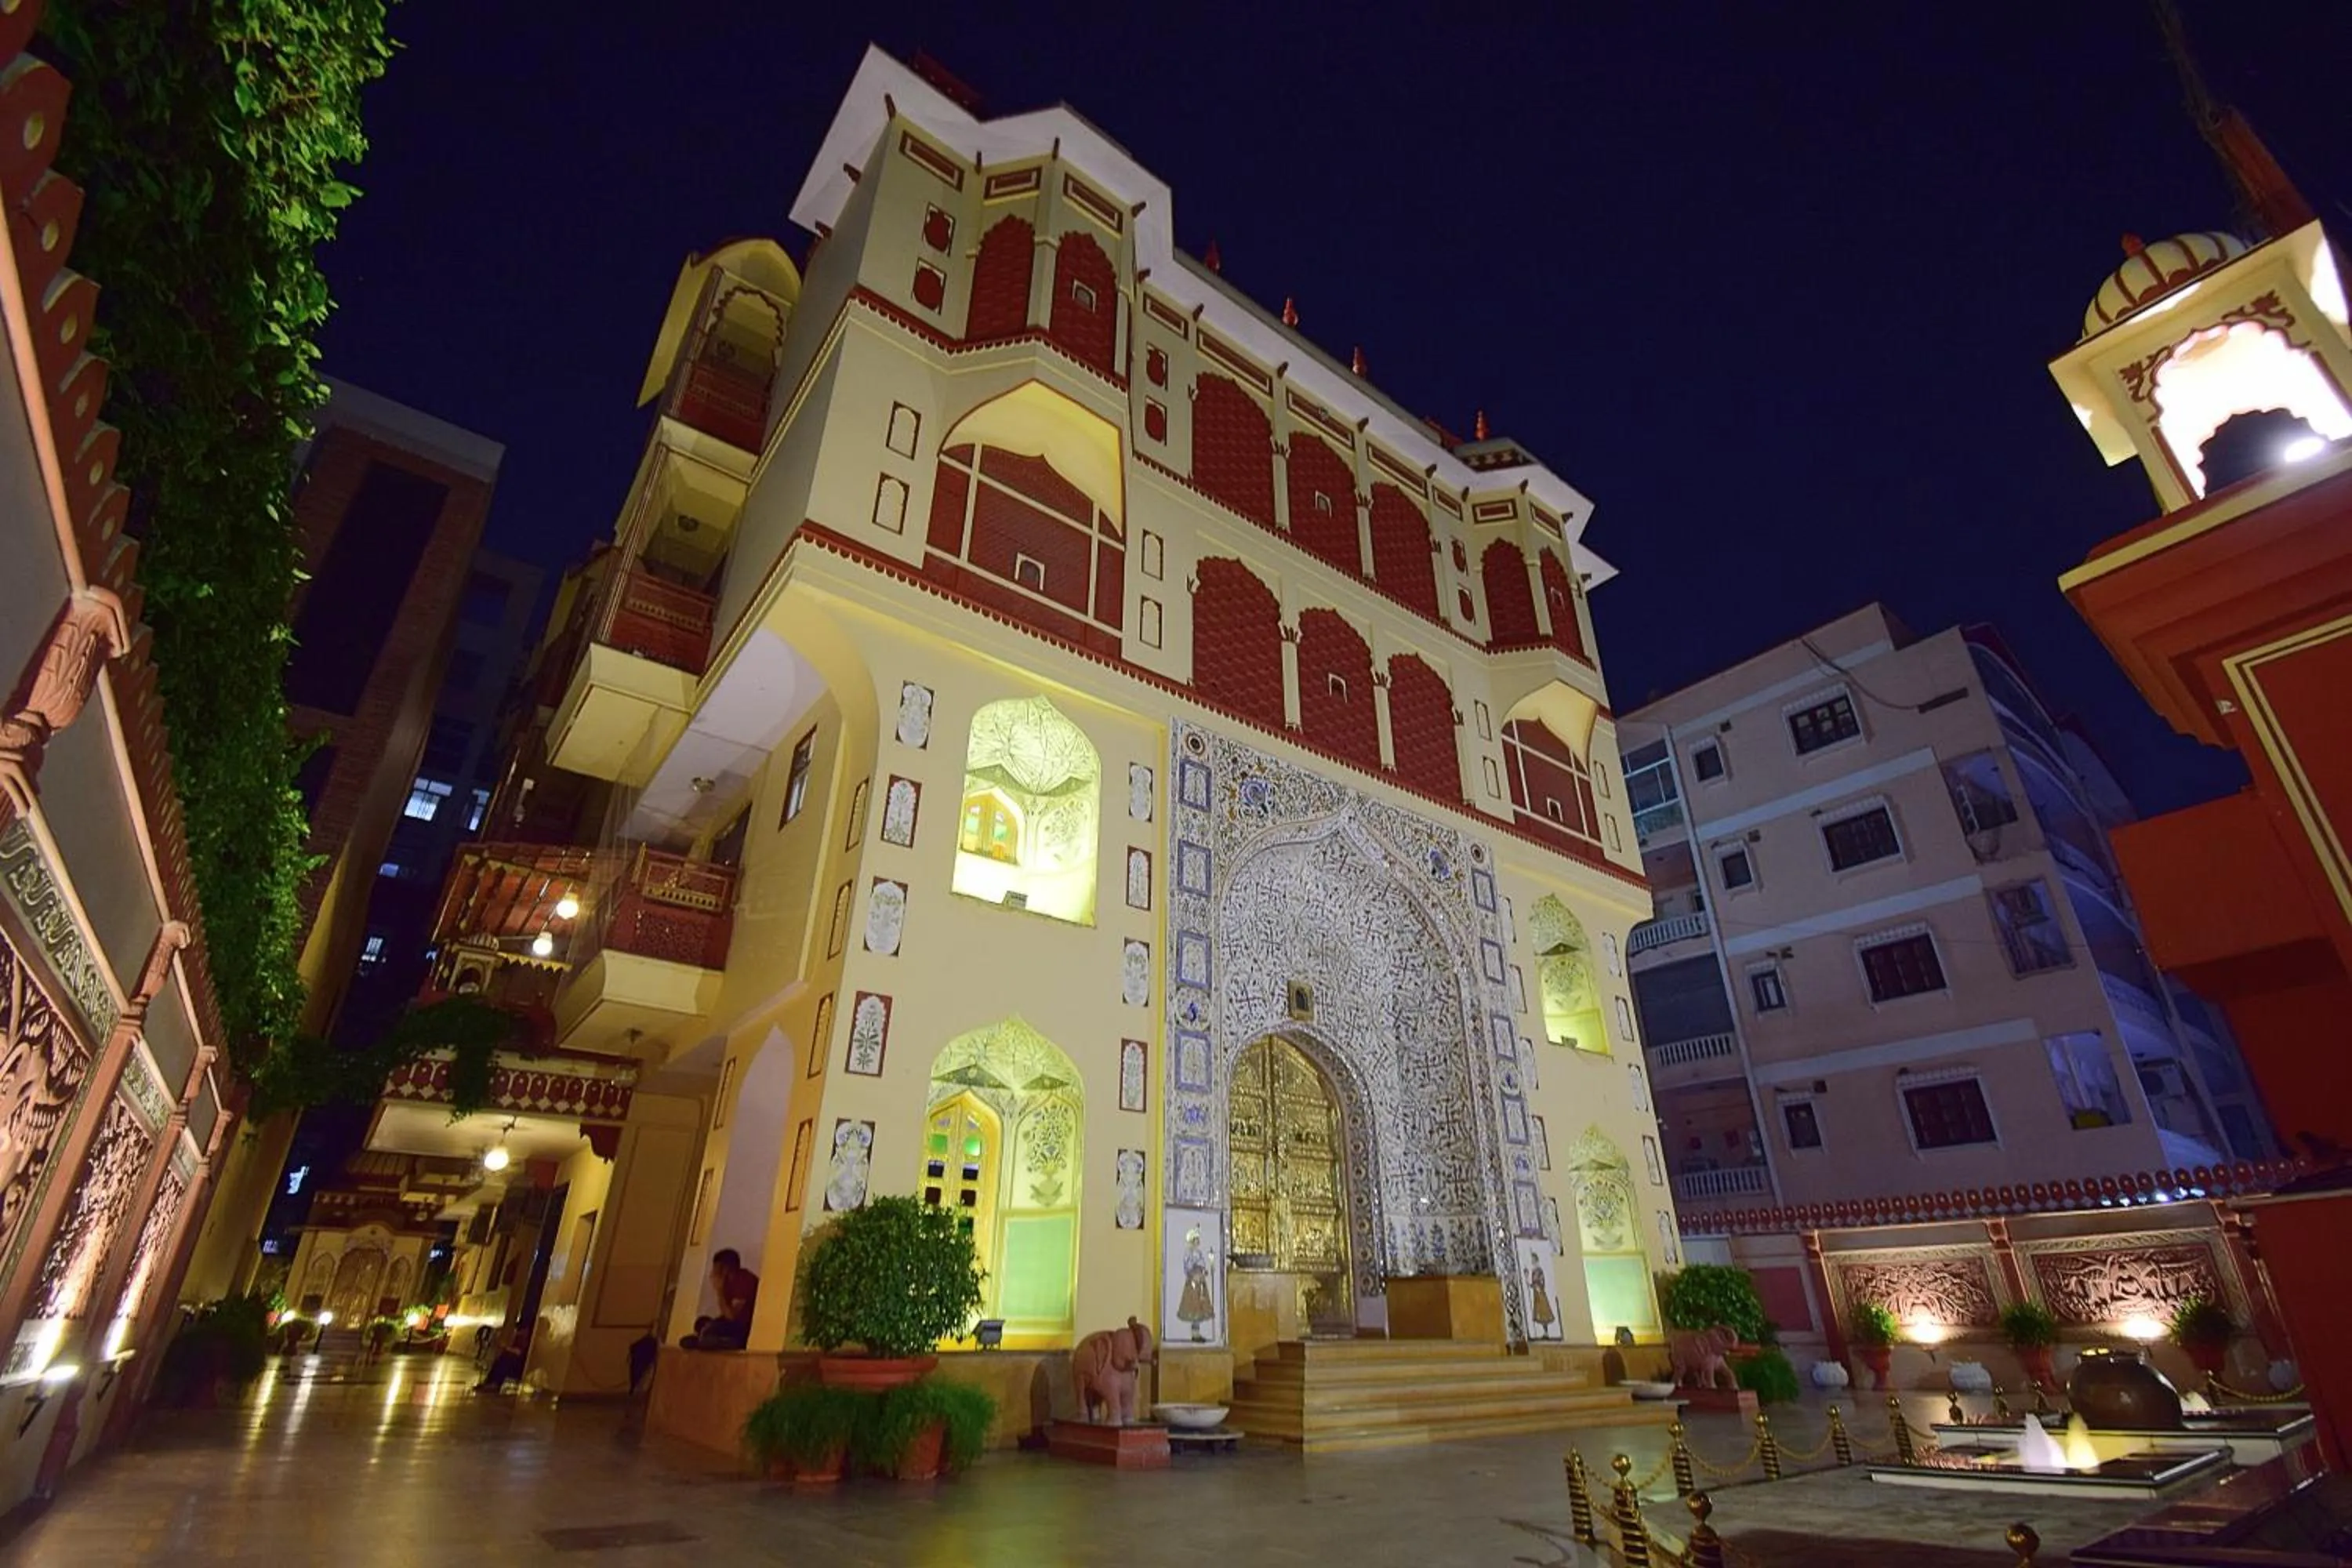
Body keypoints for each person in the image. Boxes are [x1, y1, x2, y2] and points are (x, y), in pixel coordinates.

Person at [681, 1248, 758, 1351]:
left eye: (716, 1269)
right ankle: (705, 1339)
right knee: (702, 1323)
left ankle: (722, 1343)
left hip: (743, 1328)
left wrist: (719, 1291)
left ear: (725, 1269)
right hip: (733, 1324)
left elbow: (731, 1317)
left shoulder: (745, 1281)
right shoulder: (729, 1283)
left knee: (713, 1329)